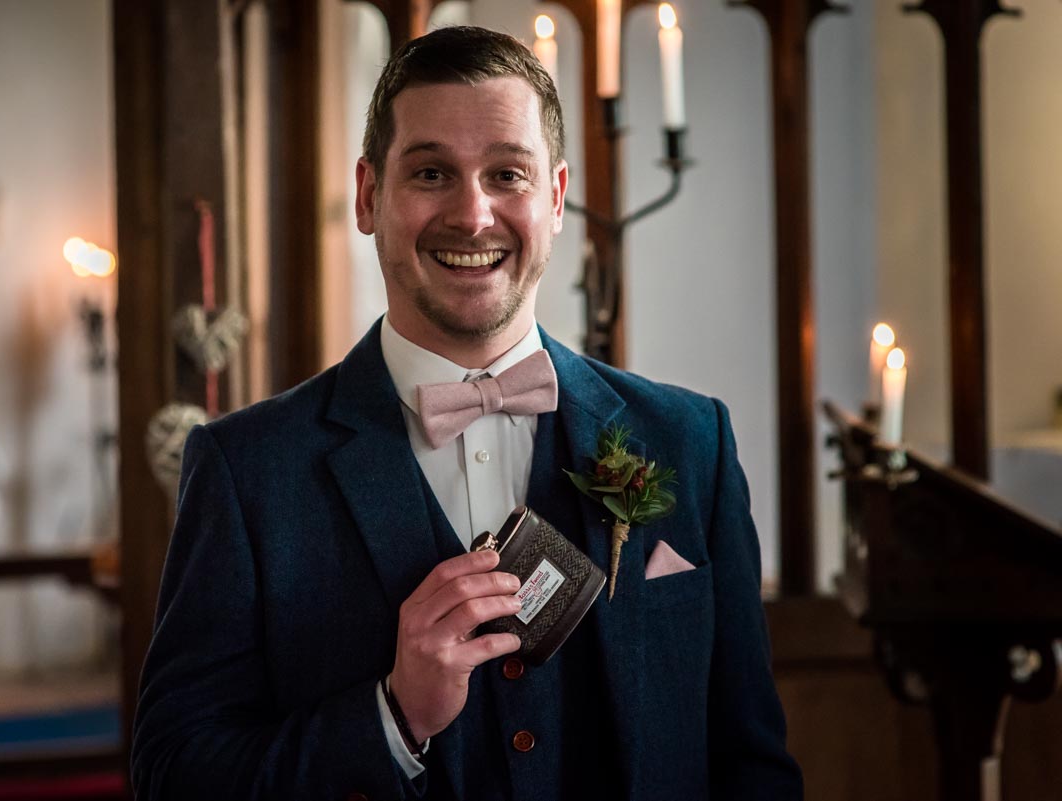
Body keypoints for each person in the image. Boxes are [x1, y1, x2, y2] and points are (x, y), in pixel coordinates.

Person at [131, 25, 802, 801]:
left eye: (507, 174)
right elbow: (175, 776)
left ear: (554, 199)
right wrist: (391, 717)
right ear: (368, 195)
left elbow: (754, 767)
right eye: (430, 173)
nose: (473, 214)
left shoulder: (691, 443)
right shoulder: (246, 470)